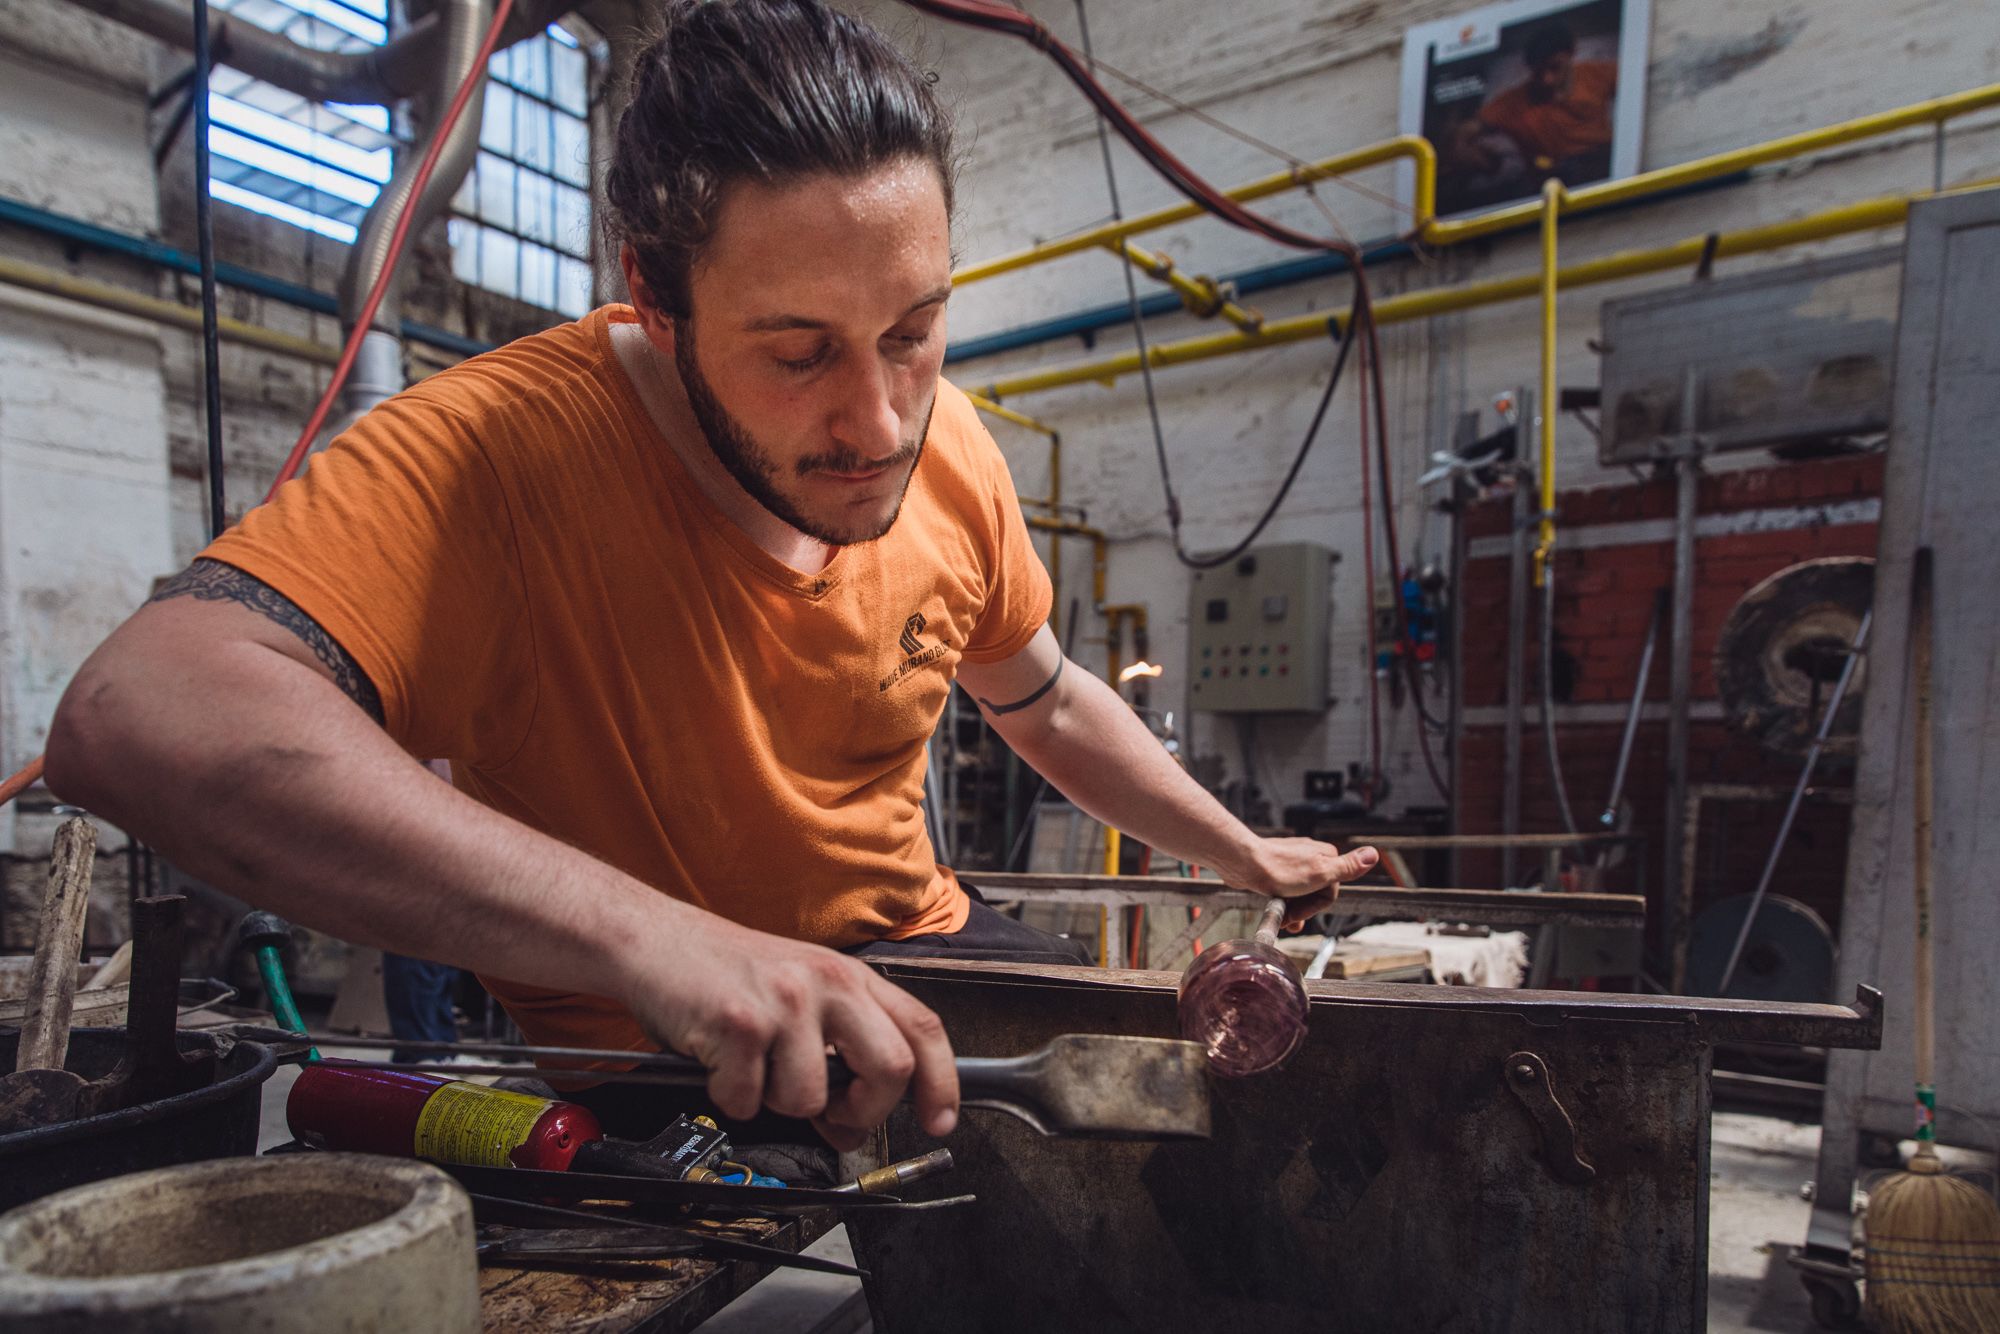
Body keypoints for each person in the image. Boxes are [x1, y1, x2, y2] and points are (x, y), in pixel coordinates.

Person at [45, 0, 1376, 1152]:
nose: (879, 420)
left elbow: (1048, 700)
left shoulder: (948, 444)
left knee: (1194, 1135)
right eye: (798, 352)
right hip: (654, 1042)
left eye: (912, 332)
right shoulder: (501, 456)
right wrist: (660, 940)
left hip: (915, 950)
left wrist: (1235, 846)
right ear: (653, 291)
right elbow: (139, 712)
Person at [1477, 21, 1617, 182]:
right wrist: (1476, 157)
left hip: (1601, 162)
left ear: (1571, 53)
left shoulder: (1596, 73)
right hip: (1552, 178)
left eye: (1555, 67)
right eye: (1538, 72)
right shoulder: (1512, 102)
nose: (1547, 80)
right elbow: (1468, 131)